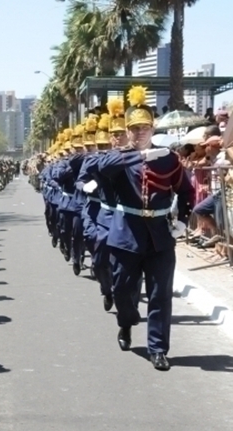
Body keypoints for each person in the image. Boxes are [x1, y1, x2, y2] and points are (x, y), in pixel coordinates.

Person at [96, 86, 194, 371]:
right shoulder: (118, 157)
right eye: (134, 128)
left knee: (160, 294)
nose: (140, 133)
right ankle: (126, 323)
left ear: (153, 129)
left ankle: (158, 348)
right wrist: (139, 156)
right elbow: (102, 167)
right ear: (126, 131)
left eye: (145, 128)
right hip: (126, 234)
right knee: (124, 290)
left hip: (160, 237)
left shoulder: (169, 158)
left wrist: (182, 221)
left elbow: (187, 191)